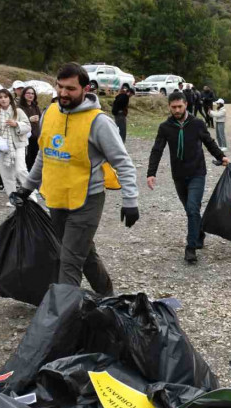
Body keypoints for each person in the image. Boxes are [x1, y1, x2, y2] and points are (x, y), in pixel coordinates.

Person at [15, 62, 139, 297]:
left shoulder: (99, 122)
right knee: (83, 253)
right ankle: (108, 297)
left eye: (70, 88)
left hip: (87, 201)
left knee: (69, 260)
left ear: (85, 89)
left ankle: (63, 320)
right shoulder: (50, 113)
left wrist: (130, 200)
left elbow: (123, 163)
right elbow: (44, 154)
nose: (63, 93)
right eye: (60, 87)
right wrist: (26, 188)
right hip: (57, 200)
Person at [147, 92, 229, 264]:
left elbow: (209, 142)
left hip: (197, 173)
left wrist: (221, 157)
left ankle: (190, 248)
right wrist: (151, 173)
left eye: (180, 106)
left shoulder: (197, 124)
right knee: (190, 210)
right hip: (178, 175)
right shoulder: (165, 128)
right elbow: (157, 150)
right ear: (169, 107)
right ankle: (199, 233)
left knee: (193, 208)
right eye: (173, 107)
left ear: (185, 105)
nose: (177, 110)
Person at [0, 89, 31, 205]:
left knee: (21, 170)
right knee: (6, 173)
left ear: (10, 98)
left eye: (5, 97)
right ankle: (13, 198)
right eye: (0, 97)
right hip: (1, 146)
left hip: (17, 144)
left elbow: (28, 126)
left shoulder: (18, 111)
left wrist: (17, 124)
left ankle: (30, 194)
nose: (3, 99)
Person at [20, 86, 42, 171]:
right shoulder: (20, 107)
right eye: (28, 93)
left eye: (32, 93)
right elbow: (17, 121)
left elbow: (40, 119)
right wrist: (29, 119)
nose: (30, 95)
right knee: (26, 158)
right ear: (24, 94)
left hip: (36, 136)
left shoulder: (35, 106)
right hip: (25, 137)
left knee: (35, 158)